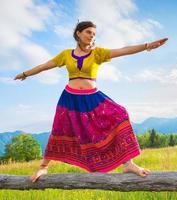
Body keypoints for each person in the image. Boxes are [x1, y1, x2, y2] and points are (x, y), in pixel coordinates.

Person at [14, 21, 168, 183]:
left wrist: (146, 46)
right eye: (88, 32)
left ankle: (128, 163)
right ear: (78, 33)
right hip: (70, 99)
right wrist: (26, 73)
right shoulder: (66, 54)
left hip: (92, 98)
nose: (91, 36)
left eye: (94, 34)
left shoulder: (98, 53)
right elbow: (45, 66)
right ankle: (44, 166)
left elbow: (123, 51)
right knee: (60, 129)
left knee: (120, 114)